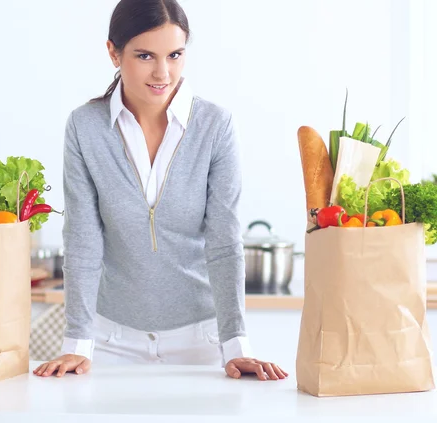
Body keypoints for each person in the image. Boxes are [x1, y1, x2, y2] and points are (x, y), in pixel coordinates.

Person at [33, 0, 287, 381]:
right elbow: (84, 240)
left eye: (175, 55)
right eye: (145, 55)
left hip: (201, 340)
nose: (162, 72)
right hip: (108, 341)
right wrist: (76, 343)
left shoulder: (215, 126)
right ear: (113, 53)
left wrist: (235, 344)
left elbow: (223, 242)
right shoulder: (85, 127)